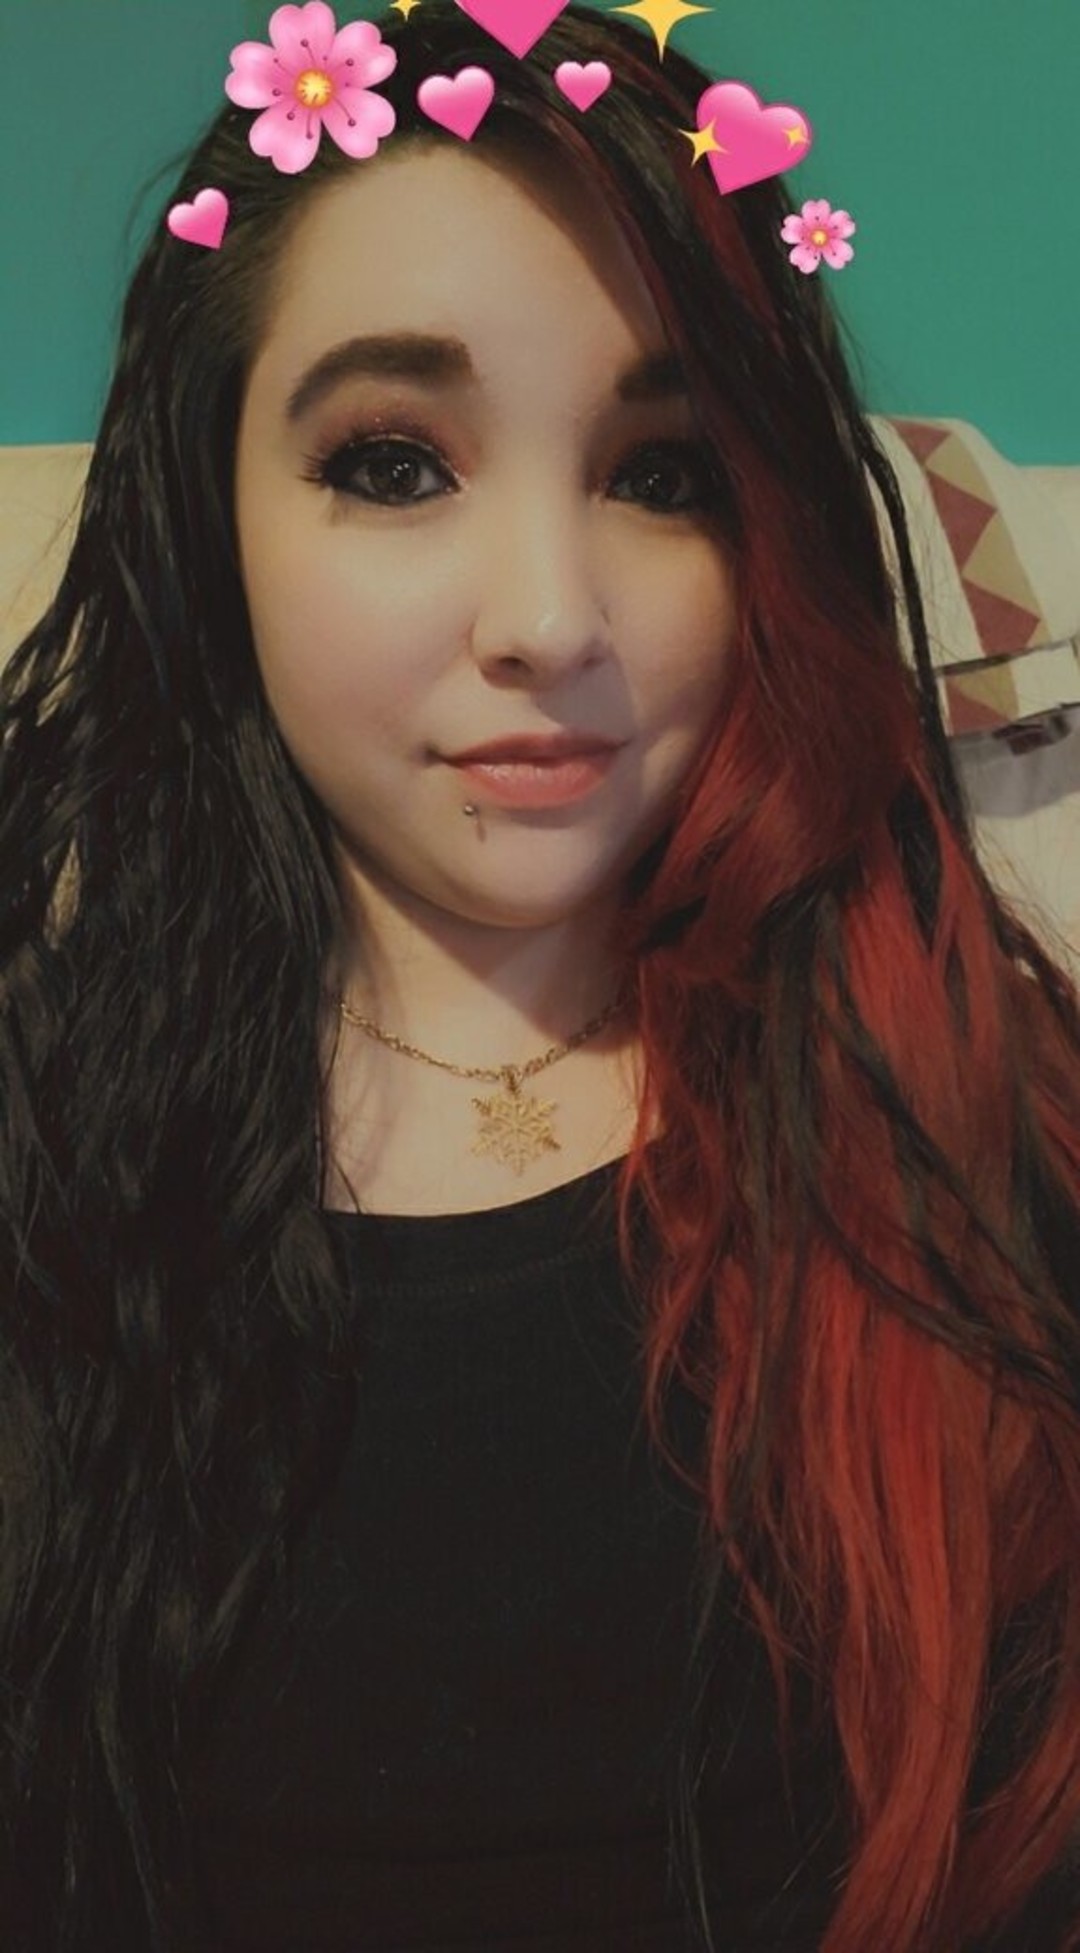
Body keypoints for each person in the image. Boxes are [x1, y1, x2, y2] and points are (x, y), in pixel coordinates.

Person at [1, 2, 1079, 1948]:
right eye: (394, 462)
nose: (552, 620)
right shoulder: (46, 1169)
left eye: (662, 476)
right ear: (208, 517)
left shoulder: (975, 1117)